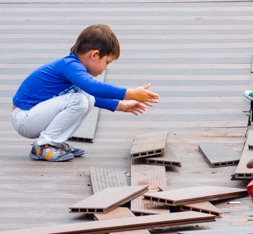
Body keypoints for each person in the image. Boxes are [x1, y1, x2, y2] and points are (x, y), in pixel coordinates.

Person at [11, 24, 159, 162]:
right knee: (79, 100)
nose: (106, 68)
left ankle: (54, 143)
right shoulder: (70, 65)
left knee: (86, 99)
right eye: (107, 62)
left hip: (34, 117)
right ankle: (43, 146)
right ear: (94, 55)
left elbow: (91, 96)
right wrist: (131, 93)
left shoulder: (74, 67)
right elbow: (93, 87)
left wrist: (122, 106)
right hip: (24, 118)